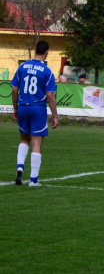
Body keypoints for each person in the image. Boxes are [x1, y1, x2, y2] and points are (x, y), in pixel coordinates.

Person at [11, 40, 59, 187]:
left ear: (35, 50)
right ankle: (33, 180)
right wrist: (55, 116)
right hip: (38, 108)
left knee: (24, 139)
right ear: (47, 52)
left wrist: (15, 108)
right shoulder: (47, 71)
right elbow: (50, 96)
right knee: (37, 143)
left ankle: (20, 166)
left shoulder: (22, 66)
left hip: (23, 106)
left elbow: (14, 90)